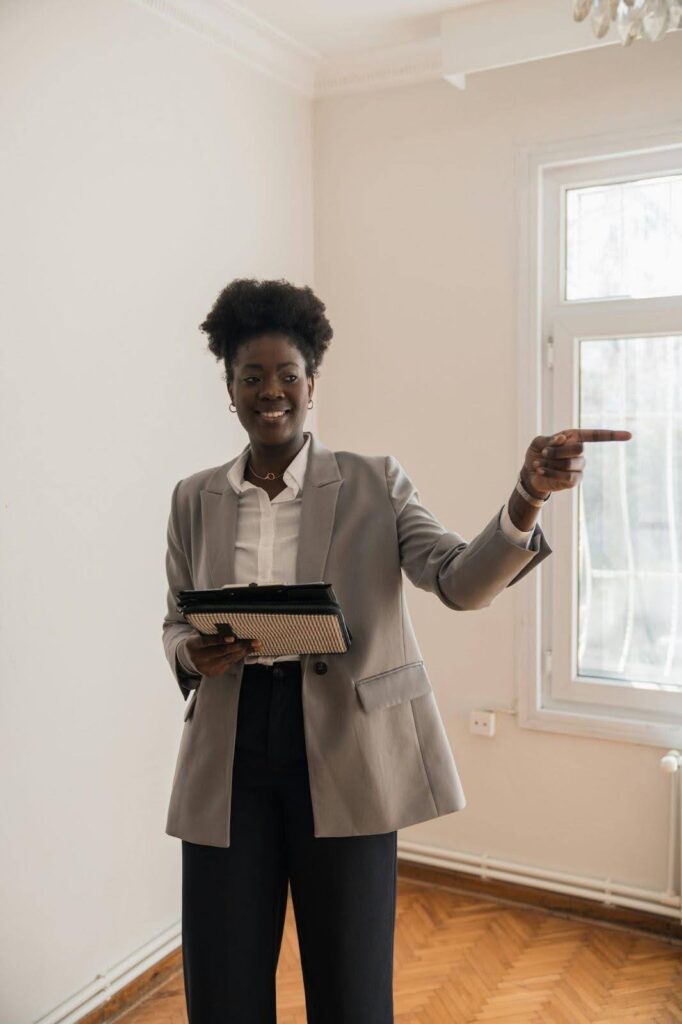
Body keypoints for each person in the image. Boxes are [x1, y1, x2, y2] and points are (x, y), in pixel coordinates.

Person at [161, 277, 631, 1023]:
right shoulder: (193, 498)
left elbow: (456, 580)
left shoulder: (374, 483)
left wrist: (526, 497)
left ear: (313, 383)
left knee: (351, 991)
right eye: (251, 377)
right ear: (230, 390)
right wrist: (194, 654)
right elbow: (174, 624)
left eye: (287, 374)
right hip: (230, 753)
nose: (270, 391)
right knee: (221, 988)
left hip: (351, 750)